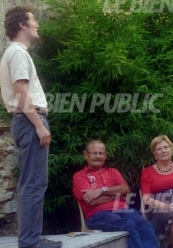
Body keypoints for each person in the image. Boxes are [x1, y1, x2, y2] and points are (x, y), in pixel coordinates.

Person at [0, 6, 59, 248]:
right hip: (29, 120)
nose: (37, 24)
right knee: (34, 183)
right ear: (22, 25)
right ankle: (31, 242)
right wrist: (39, 126)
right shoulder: (17, 53)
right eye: (33, 20)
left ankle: (31, 238)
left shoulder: (15, 53)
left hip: (25, 121)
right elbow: (21, 93)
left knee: (32, 182)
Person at [73, 140, 159, 248]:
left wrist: (101, 190)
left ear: (105, 156)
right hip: (98, 215)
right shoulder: (80, 176)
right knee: (128, 224)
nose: (98, 156)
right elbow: (91, 201)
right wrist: (116, 194)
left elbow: (125, 189)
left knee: (146, 225)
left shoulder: (113, 172)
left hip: (124, 210)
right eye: (94, 153)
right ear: (86, 155)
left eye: (101, 153)